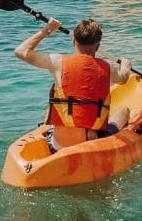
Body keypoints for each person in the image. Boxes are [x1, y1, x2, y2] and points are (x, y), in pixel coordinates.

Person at [13, 17, 132, 153]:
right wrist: (125, 66)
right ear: (97, 46)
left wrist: (47, 30)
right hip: (91, 143)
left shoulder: (58, 62)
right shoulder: (108, 68)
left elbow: (20, 51)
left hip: (58, 144)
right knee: (124, 111)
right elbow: (123, 79)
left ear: (74, 40)